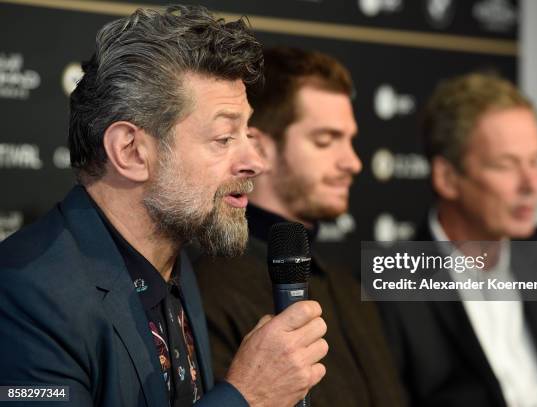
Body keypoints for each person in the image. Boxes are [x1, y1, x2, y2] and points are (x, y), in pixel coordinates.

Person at [0, 6, 328, 407]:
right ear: (132, 151)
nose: (255, 162)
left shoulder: (175, 262)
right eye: (225, 137)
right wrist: (247, 397)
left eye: (248, 132)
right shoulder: (25, 294)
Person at [379, 72, 537, 407]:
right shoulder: (394, 284)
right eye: (507, 165)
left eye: (535, 161)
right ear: (447, 178)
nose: (531, 184)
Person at [194, 47, 407, 406]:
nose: (353, 162)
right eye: (325, 141)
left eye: (350, 141)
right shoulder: (209, 287)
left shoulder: (347, 288)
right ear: (259, 149)